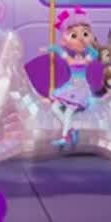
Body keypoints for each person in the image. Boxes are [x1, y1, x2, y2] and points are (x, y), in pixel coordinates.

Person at [45, 8, 98, 148]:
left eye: (85, 34)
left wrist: (86, 43)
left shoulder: (86, 58)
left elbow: (95, 53)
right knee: (55, 107)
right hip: (71, 87)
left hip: (81, 88)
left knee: (69, 111)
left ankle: (65, 137)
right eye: (74, 36)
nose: (80, 38)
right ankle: (72, 130)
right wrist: (49, 49)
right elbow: (58, 50)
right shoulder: (70, 58)